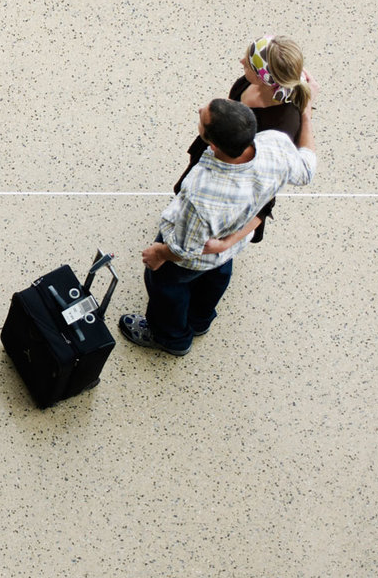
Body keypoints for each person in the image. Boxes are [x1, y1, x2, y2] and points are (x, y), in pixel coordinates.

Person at [119, 97, 317, 356]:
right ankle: (200, 321)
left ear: (212, 143)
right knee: (216, 277)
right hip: (228, 246)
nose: (199, 108)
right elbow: (307, 169)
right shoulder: (276, 145)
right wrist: (306, 116)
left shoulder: (201, 193)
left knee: (167, 287)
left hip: (192, 258)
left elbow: (186, 249)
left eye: (203, 117)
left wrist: (158, 254)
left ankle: (171, 338)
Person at [173, 35, 314, 248]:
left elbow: (265, 197)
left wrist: (225, 244)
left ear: (264, 78)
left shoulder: (281, 127)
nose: (241, 62)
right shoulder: (249, 82)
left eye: (247, 64)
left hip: (230, 179)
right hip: (217, 149)